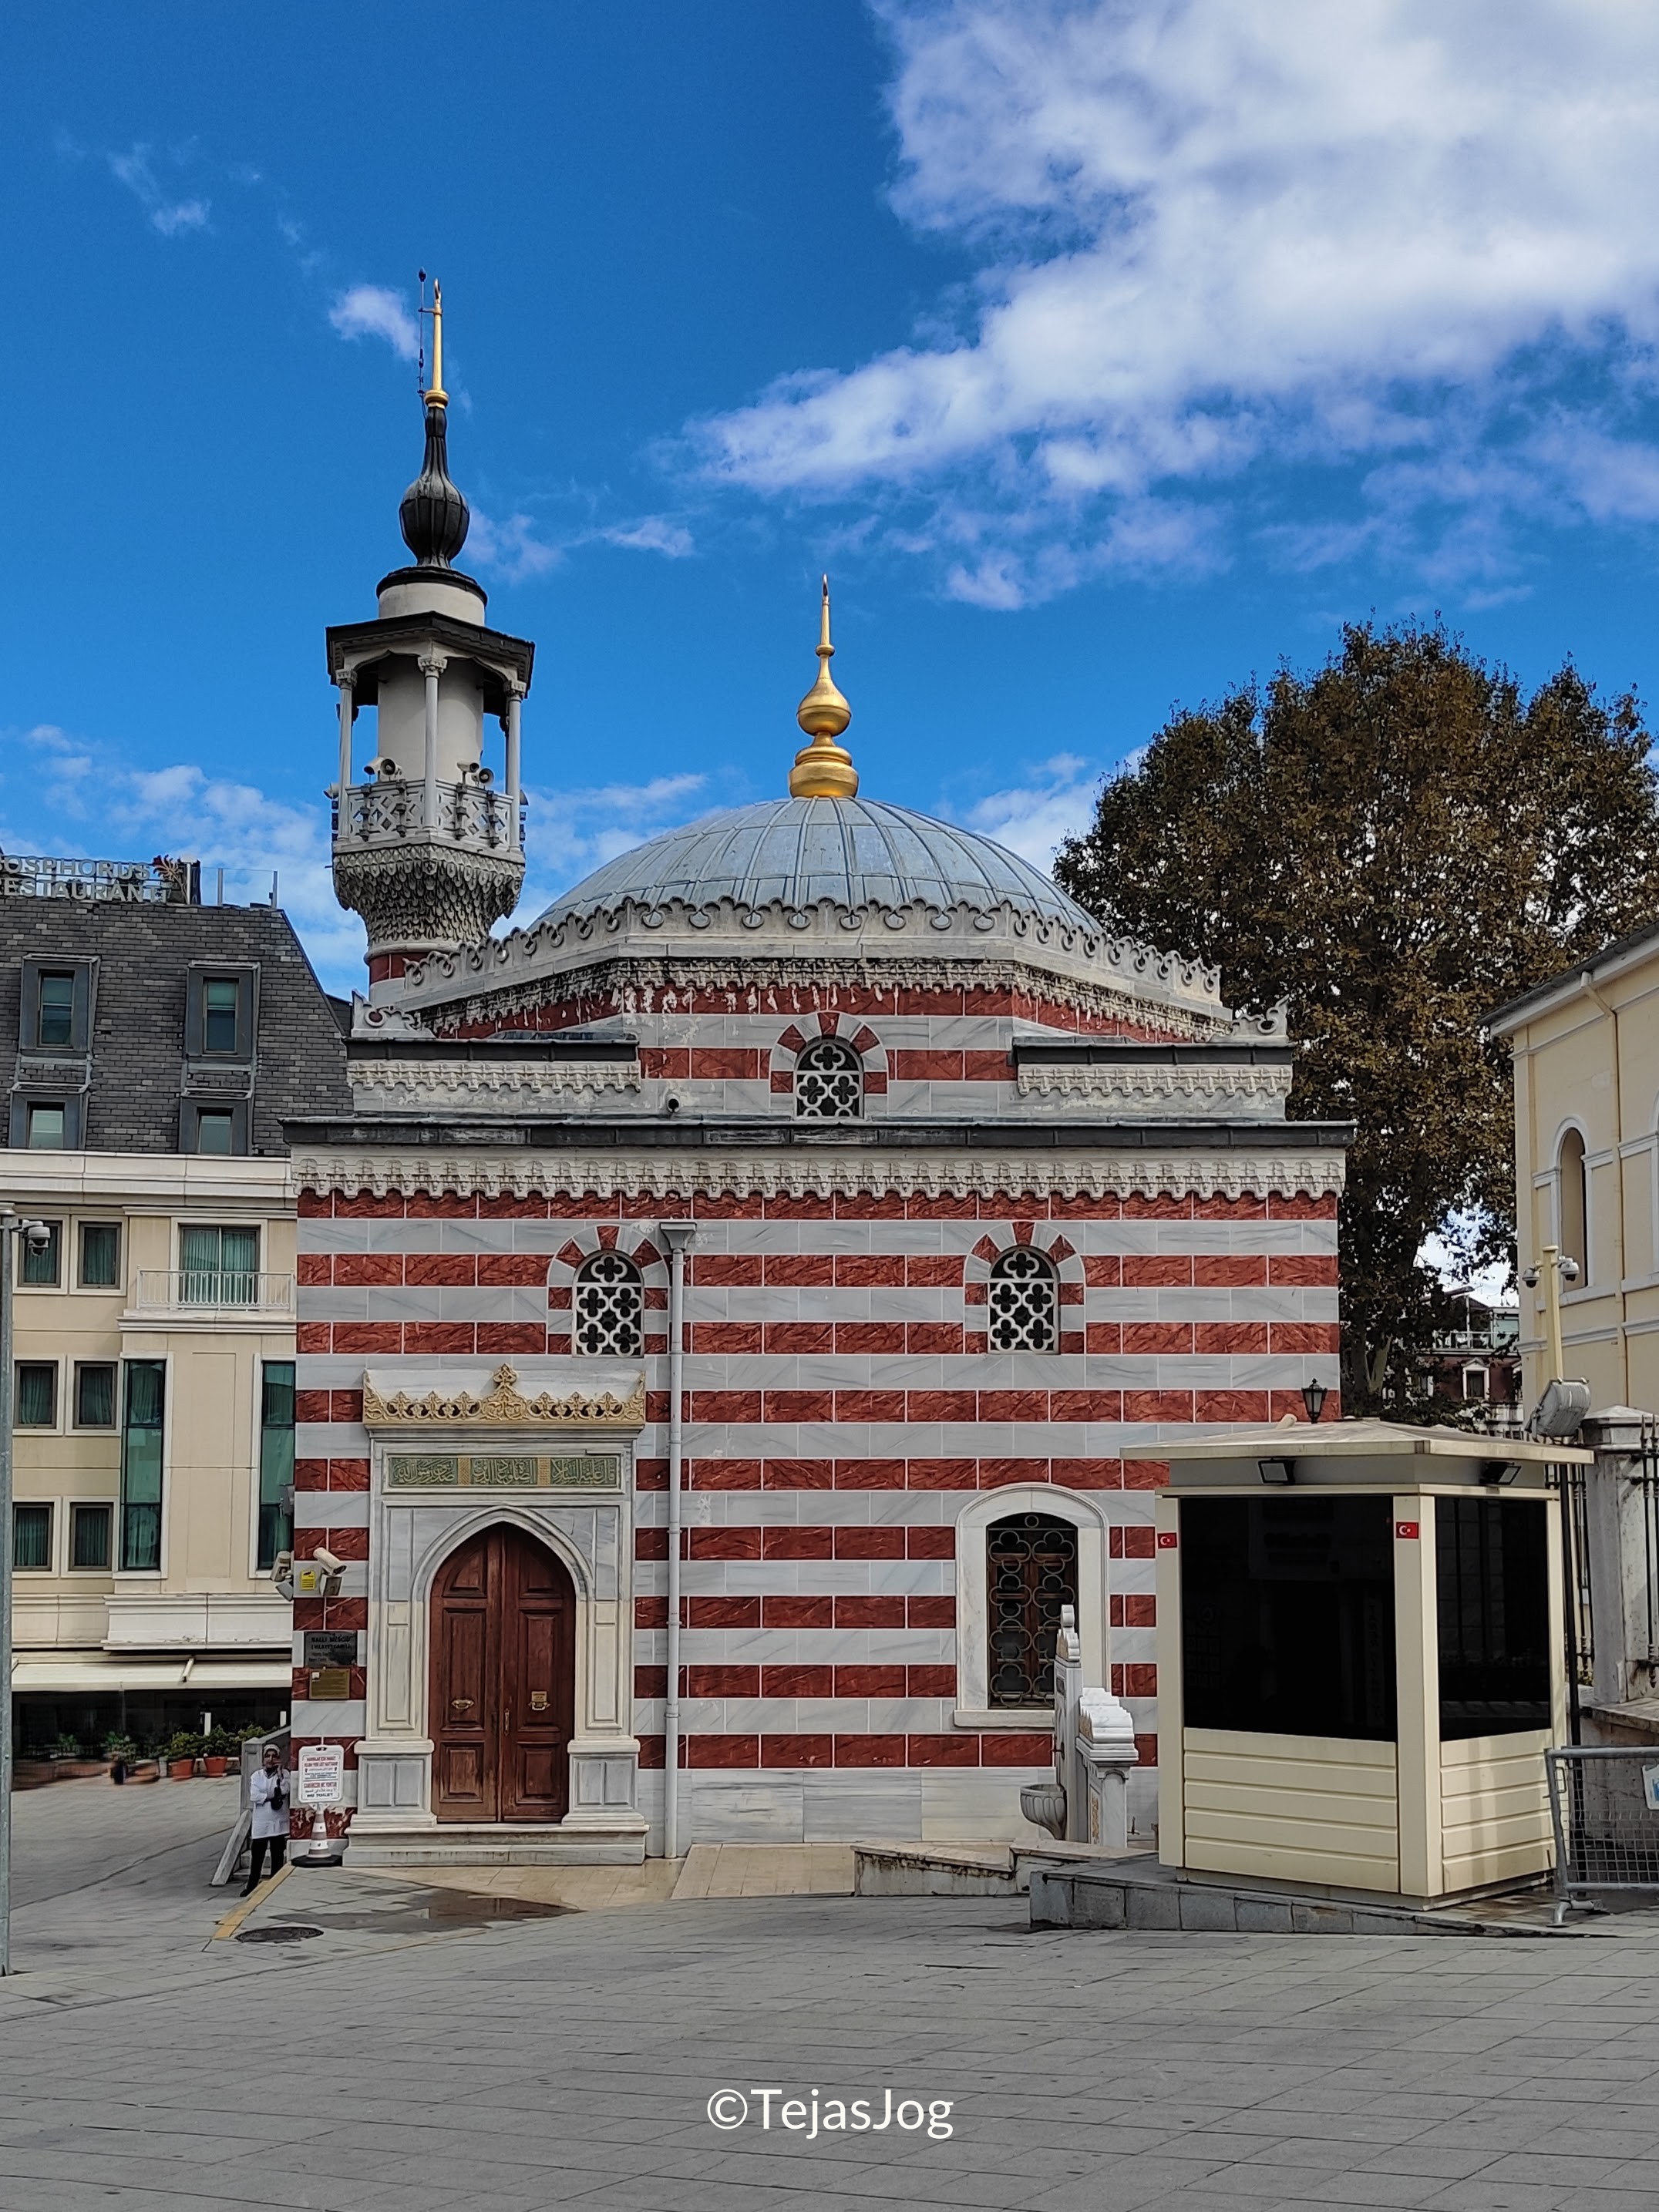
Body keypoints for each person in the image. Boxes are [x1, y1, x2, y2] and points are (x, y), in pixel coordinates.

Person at [243, 1743, 290, 1894]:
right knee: (257, 1856)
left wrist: (280, 1773)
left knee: (277, 1855)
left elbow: (285, 1789)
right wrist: (271, 1797)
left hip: (278, 1821)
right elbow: (255, 1796)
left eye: (273, 1756)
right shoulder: (257, 1776)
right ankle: (251, 1886)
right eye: (267, 1756)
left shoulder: (284, 1774)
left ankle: (275, 1886)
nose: (270, 1759)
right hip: (262, 1822)